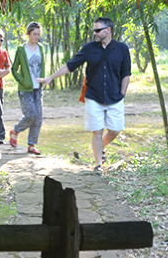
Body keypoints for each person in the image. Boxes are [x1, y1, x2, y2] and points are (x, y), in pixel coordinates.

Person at [39, 16, 131, 172]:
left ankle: (100, 146)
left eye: (97, 30)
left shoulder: (122, 49)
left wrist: (122, 94)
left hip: (115, 97)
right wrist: (51, 77)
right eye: (94, 30)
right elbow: (70, 65)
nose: (94, 33)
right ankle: (98, 166)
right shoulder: (89, 48)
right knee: (97, 130)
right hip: (94, 97)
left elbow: (126, 74)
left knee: (114, 130)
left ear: (108, 30)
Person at [9, 21, 46, 155]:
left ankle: (31, 144)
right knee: (31, 115)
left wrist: (43, 79)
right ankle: (16, 130)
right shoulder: (21, 49)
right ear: (28, 34)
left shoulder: (40, 48)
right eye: (34, 34)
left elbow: (42, 66)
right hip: (26, 89)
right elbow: (14, 69)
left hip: (38, 87)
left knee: (39, 117)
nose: (37, 37)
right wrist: (22, 80)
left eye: (38, 34)